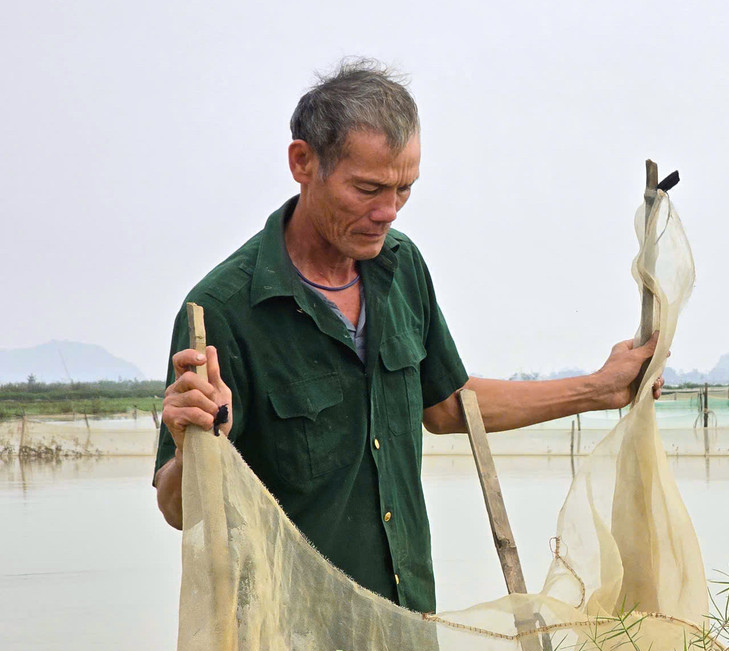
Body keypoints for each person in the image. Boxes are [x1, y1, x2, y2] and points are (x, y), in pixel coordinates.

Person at [153, 59, 662, 614]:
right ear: (303, 162)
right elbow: (180, 510)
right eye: (368, 189)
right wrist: (195, 443)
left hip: (407, 622)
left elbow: (446, 406)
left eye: (405, 189)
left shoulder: (401, 268)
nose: (387, 212)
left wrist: (603, 389)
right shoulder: (223, 311)